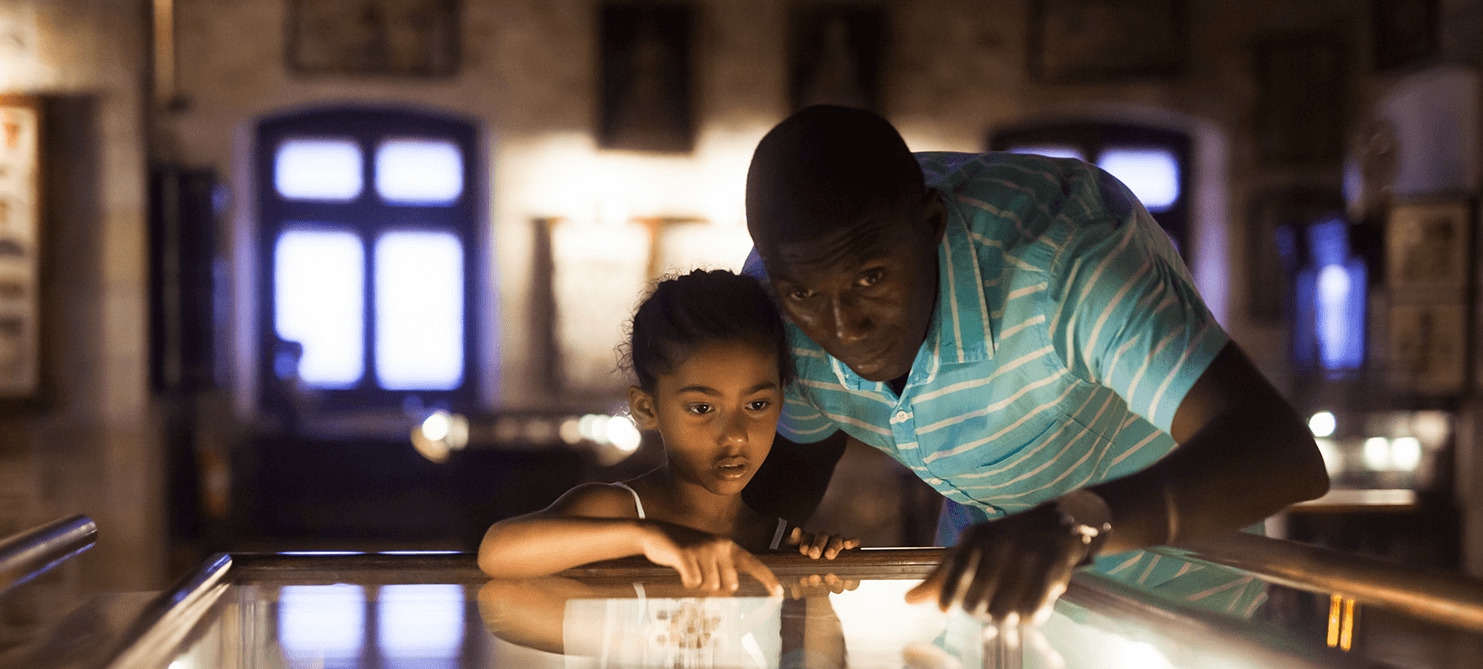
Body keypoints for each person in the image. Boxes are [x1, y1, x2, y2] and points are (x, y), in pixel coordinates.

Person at [739, 105, 1329, 622]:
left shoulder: (1068, 259)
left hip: (1175, 613)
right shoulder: (783, 287)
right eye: (807, 297)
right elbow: (790, 466)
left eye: (871, 279)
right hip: (997, 603)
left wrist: (1075, 525)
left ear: (932, 224)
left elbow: (1281, 454)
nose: (842, 327)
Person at [479, 269, 858, 594]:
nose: (736, 436)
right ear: (647, 408)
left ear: (782, 399)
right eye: (702, 408)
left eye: (757, 405)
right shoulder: (620, 511)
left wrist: (817, 589)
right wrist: (650, 537)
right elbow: (496, 552)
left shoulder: (777, 540)